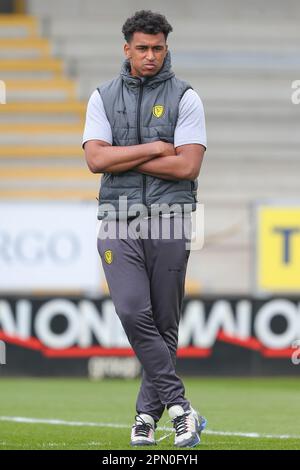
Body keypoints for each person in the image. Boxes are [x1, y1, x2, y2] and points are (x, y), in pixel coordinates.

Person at [83, 10, 207, 448]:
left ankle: (144, 420)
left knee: (165, 325)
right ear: (127, 49)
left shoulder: (186, 97)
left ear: (166, 48)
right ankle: (181, 408)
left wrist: (124, 154)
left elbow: (188, 165)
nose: (150, 55)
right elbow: (95, 160)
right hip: (117, 219)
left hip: (171, 220)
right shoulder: (102, 96)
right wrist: (156, 147)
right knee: (134, 313)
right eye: (142, 48)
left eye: (157, 48)